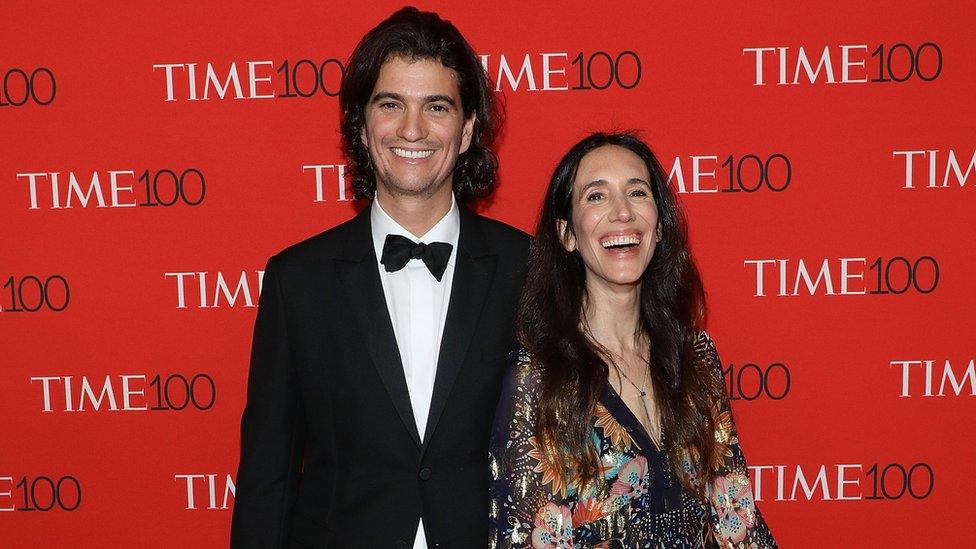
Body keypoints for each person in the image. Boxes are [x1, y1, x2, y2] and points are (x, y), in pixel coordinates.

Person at [230, 7, 529, 548]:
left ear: (465, 132)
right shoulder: (297, 281)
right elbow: (266, 480)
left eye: (436, 107)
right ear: (362, 127)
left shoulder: (529, 270)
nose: (412, 129)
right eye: (391, 105)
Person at [488, 132, 776, 547]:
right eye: (597, 197)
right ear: (567, 234)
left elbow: (739, 520)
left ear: (659, 226)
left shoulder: (695, 356)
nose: (622, 213)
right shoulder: (538, 379)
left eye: (637, 193)